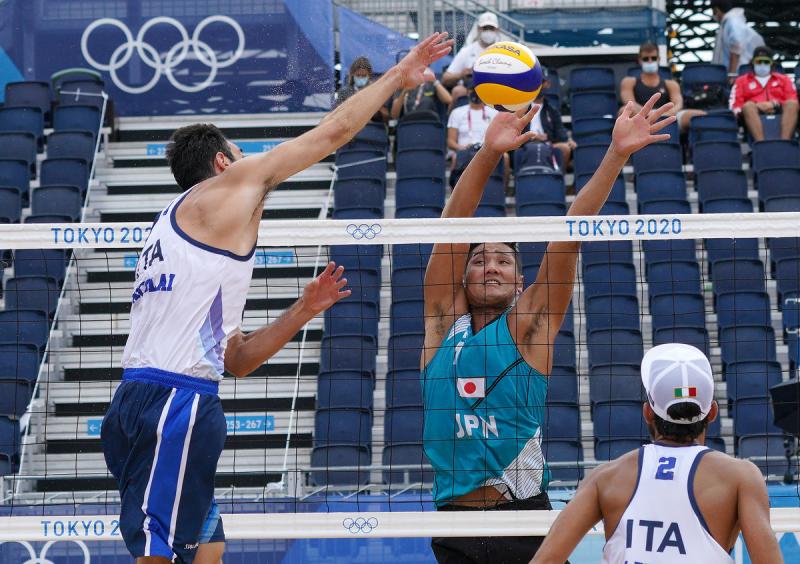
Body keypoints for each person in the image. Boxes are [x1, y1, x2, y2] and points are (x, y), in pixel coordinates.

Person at [100, 33, 454, 564]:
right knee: (158, 551)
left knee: (207, 541)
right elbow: (332, 132)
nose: (256, 168)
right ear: (224, 164)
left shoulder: (177, 232)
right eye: (243, 156)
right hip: (175, 403)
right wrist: (397, 78)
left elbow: (236, 360)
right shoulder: (224, 192)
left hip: (138, 402)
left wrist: (303, 310)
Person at [422, 92, 675, 564]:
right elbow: (452, 226)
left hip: (523, 518)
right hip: (451, 523)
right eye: (480, 259)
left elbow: (570, 233)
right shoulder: (441, 326)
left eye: (504, 260)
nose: (491, 266)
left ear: (521, 280)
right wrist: (490, 152)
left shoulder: (529, 326)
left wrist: (616, 154)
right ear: (464, 273)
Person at [531, 343, 783, 564]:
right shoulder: (741, 476)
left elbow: (546, 560)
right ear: (713, 412)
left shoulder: (606, 477)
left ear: (648, 413)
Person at [620, 41, 705, 131]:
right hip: (640, 117)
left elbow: (678, 104)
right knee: (623, 110)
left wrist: (660, 115)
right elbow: (629, 103)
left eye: (653, 58)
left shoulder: (671, 84)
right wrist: (647, 114)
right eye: (646, 59)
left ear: (659, 59)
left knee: (699, 115)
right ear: (640, 60)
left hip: (667, 117)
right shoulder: (629, 82)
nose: (650, 61)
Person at [730, 45, 799, 141]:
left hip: (780, 110)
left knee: (792, 104)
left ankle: (784, 142)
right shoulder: (741, 81)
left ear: (771, 64)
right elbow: (735, 107)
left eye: (766, 61)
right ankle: (761, 144)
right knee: (748, 106)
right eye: (758, 61)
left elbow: (793, 99)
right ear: (753, 63)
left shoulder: (784, 79)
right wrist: (756, 106)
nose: (762, 64)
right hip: (752, 113)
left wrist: (775, 105)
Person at [519, 69, 575, 169]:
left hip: (547, 144)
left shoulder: (552, 110)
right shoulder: (520, 108)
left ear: (547, 84)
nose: (538, 86)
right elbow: (514, 133)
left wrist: (568, 140)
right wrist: (533, 137)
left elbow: (560, 133)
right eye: (535, 82)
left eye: (541, 82)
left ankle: (557, 180)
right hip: (524, 145)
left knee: (565, 148)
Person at [442, 12, 501, 88]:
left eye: (491, 28)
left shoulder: (504, 51)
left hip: (498, 89)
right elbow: (446, 78)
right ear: (478, 29)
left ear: (497, 29)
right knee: (458, 90)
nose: (488, 31)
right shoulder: (467, 51)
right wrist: (462, 74)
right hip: (471, 90)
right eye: (485, 28)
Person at [710, 0, 764, 79]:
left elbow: (736, 46)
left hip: (739, 75)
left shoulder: (732, 21)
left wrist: (732, 75)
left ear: (716, 10)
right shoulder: (732, 22)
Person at [335, 56, 388, 122]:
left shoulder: (377, 91)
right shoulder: (344, 92)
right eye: (358, 75)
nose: (360, 78)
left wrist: (375, 103)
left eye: (364, 76)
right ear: (352, 75)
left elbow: (386, 116)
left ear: (369, 76)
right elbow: (336, 115)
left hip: (372, 127)